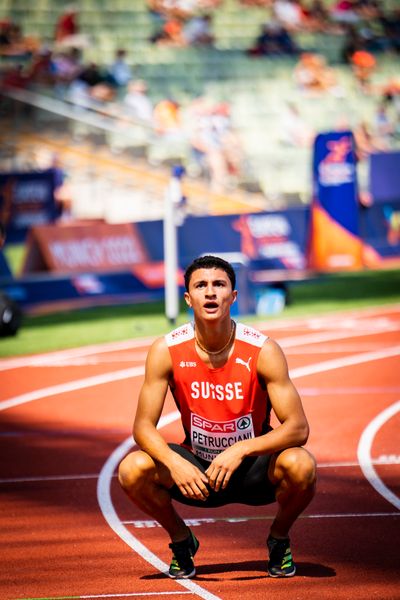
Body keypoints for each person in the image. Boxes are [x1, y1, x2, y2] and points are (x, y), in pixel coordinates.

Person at [118, 255, 317, 579]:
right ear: (188, 298)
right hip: (198, 471)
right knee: (131, 470)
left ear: (233, 296)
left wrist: (240, 449)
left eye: (219, 285)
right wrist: (174, 460)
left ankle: (279, 538)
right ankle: (182, 540)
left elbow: (298, 427)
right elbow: (142, 426)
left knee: (302, 465)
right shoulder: (165, 350)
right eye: (201, 285)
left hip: (253, 469)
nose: (210, 293)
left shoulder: (263, 351)